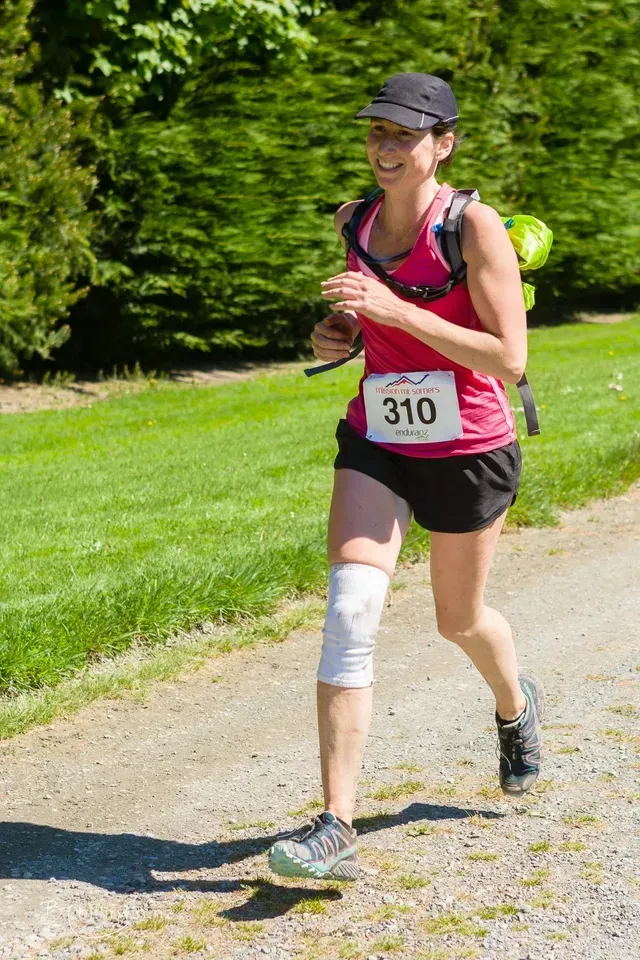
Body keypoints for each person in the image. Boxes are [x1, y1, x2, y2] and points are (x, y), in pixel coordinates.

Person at [268, 73, 544, 882]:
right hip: (380, 437)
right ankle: (336, 825)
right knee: (351, 608)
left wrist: (392, 312)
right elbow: (364, 321)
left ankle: (515, 705)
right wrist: (341, 333)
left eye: (405, 134)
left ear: (442, 144)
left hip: (469, 449)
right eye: (376, 134)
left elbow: (508, 356)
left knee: (458, 620)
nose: (386, 148)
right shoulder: (352, 221)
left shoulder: (474, 227)